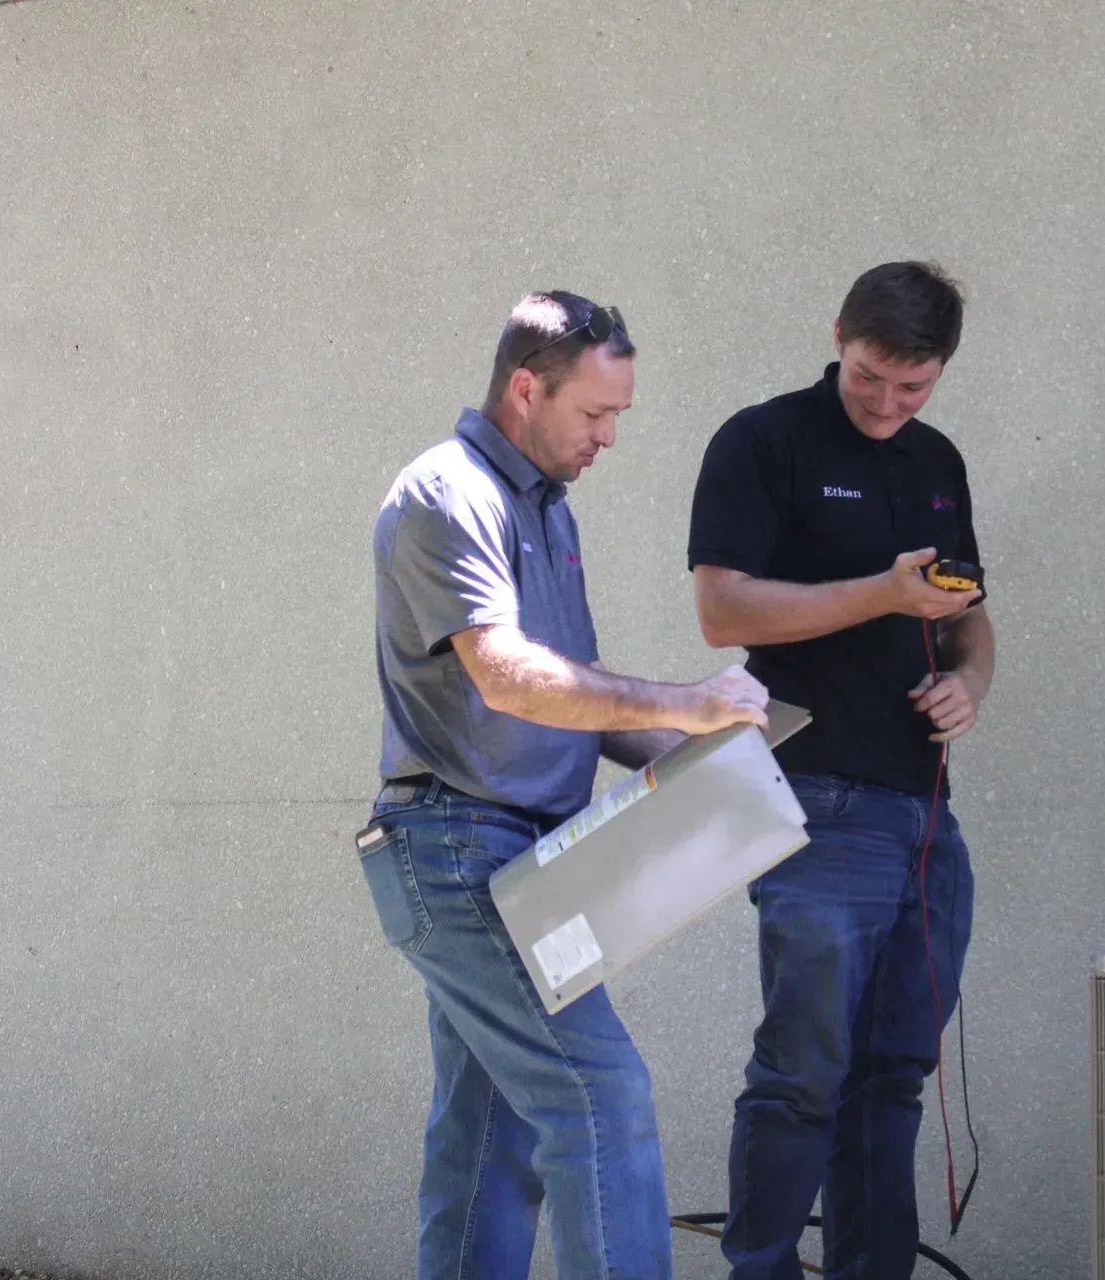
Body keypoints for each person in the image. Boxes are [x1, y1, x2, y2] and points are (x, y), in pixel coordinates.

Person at [360, 290, 771, 1280]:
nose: (609, 436)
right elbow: (509, 678)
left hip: (525, 857)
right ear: (525, 388)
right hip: (457, 849)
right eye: (595, 413)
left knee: (488, 1134)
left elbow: (573, 696)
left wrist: (721, 757)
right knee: (600, 1094)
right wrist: (689, 702)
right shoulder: (448, 493)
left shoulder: (547, 507)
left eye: (619, 414)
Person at [686, 262, 997, 1279]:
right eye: (871, 376)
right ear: (838, 336)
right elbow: (722, 610)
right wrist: (881, 592)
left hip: (924, 813)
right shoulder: (764, 439)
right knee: (802, 1076)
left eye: (914, 386)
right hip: (811, 797)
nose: (889, 403)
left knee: (892, 1077)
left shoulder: (938, 461)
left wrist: (969, 684)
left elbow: (968, 617)